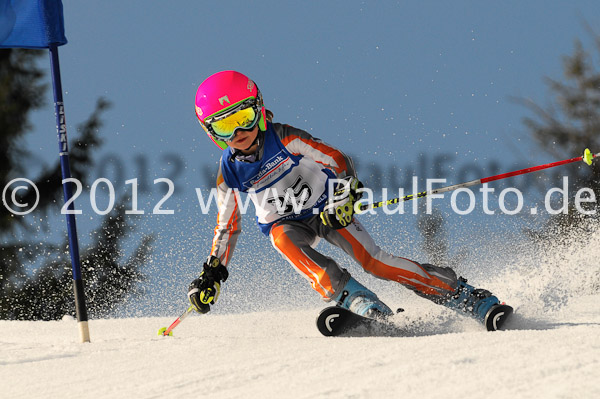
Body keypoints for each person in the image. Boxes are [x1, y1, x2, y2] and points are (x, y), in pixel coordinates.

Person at [188, 70, 508, 328]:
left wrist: (342, 197)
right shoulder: (228, 173)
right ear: (212, 133)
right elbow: (227, 226)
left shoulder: (285, 138)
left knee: (375, 262)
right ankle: (354, 297)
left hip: (328, 211)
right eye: (225, 125)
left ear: (257, 109)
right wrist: (213, 272)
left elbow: (337, 160)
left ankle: (464, 296)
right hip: (286, 223)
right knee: (281, 239)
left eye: (243, 116)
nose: (238, 131)